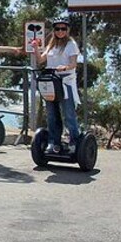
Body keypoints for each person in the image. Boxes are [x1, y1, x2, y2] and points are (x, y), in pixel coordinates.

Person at [31, 18, 81, 153]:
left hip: (66, 81)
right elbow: (41, 59)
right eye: (57, 29)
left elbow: (73, 64)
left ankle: (74, 142)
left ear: (67, 30)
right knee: (52, 114)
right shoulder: (51, 45)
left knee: (68, 113)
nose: (60, 31)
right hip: (51, 81)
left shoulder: (71, 44)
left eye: (63, 29)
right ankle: (54, 142)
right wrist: (35, 48)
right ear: (54, 31)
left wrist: (64, 67)